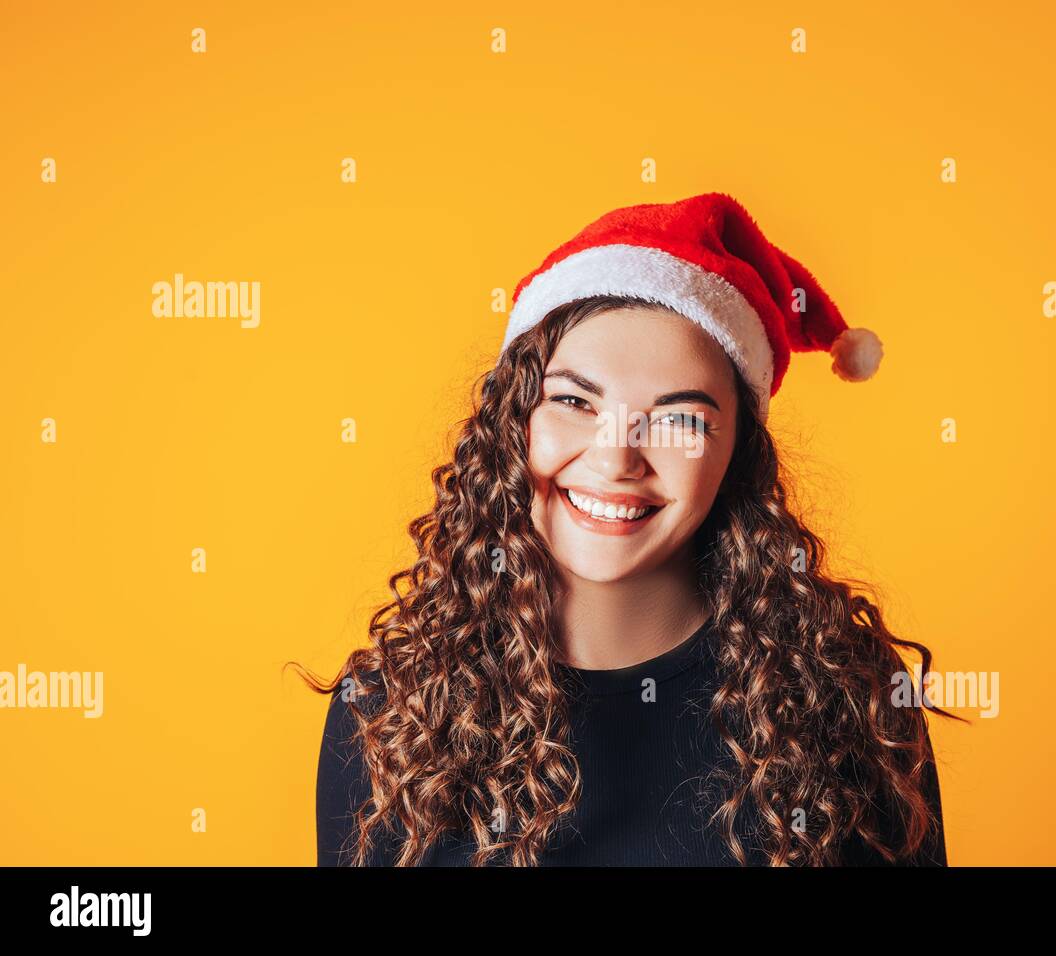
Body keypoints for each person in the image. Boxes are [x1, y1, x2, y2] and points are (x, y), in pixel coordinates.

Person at [302, 192, 957, 866]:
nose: (616, 458)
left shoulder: (847, 701)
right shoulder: (387, 716)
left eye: (679, 420)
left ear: (739, 455)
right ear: (514, 419)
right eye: (575, 402)